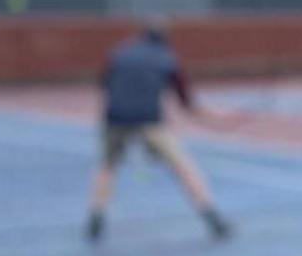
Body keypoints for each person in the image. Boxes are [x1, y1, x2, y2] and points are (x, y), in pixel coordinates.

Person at [86, 18, 232, 242]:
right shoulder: (167, 58)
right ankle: (211, 215)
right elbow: (187, 103)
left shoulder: (119, 53)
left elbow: (104, 84)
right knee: (182, 166)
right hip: (149, 120)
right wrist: (214, 117)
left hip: (115, 118)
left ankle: (96, 215)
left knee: (107, 166)